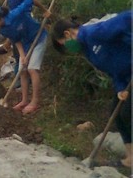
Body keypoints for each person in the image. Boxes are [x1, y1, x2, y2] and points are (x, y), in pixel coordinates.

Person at [52, 11, 131, 168]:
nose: (69, 49)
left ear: (68, 34)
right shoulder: (88, 50)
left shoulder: (93, 32)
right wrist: (121, 88)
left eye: (64, 43)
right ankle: (131, 158)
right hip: (127, 80)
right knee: (118, 113)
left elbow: (127, 19)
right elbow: (113, 70)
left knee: (128, 113)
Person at [0, 0, 51, 114]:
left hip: (38, 38)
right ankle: (24, 100)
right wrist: (22, 56)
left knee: (32, 69)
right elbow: (16, 40)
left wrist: (44, 10)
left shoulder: (16, 14)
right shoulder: (2, 29)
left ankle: (35, 101)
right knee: (22, 70)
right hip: (25, 44)